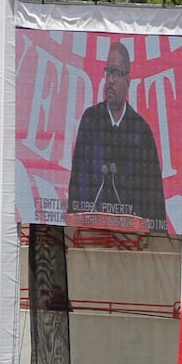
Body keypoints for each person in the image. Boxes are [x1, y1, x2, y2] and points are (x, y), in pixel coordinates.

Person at [66, 42, 168, 232]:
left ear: (128, 80)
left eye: (116, 73)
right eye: (108, 72)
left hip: (132, 240)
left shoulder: (141, 131)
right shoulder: (90, 120)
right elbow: (77, 183)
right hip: (91, 234)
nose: (110, 80)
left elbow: (154, 200)